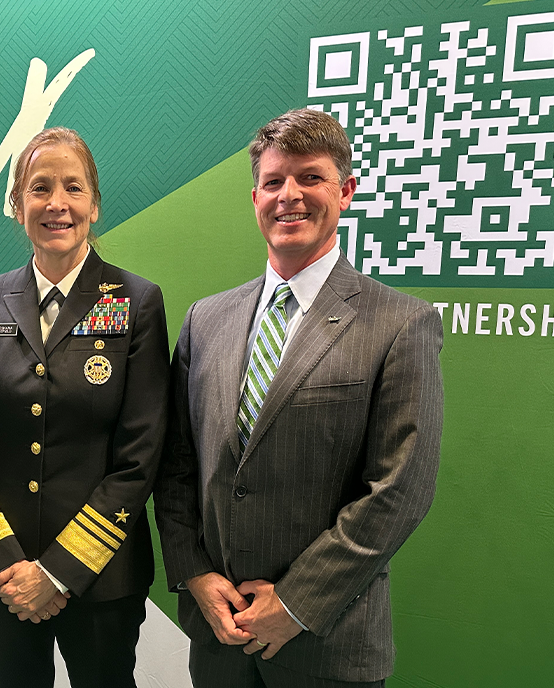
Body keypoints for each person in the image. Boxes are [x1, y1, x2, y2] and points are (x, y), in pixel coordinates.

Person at [155, 108, 444, 688]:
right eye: (273, 181)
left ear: (347, 190)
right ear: (255, 197)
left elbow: (400, 489)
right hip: (220, 638)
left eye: (309, 177)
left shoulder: (400, 323)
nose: (290, 195)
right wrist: (194, 574)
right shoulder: (205, 319)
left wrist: (293, 604)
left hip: (327, 645)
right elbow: (177, 463)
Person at [0, 127, 169, 687]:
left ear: (94, 204)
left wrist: (60, 572)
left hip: (101, 570)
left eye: (73, 187)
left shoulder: (136, 302)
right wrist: (5, 563)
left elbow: (141, 453)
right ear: (18, 205)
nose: (56, 203)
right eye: (40, 188)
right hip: (1, 571)